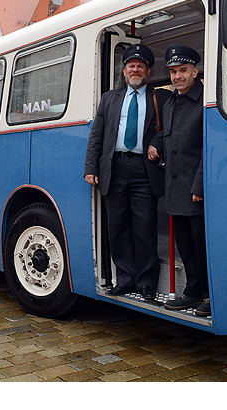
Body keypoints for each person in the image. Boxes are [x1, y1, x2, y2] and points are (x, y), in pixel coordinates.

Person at [84, 44, 172, 301]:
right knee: (118, 228)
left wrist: (157, 142)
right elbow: (96, 136)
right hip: (114, 168)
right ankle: (124, 280)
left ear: (148, 71)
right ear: (124, 71)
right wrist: (90, 167)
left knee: (144, 228)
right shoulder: (109, 99)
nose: (136, 70)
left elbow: (170, 130)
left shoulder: (162, 98)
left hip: (145, 169)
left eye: (140, 66)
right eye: (131, 66)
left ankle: (146, 283)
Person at [148, 44, 210, 317]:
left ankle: (209, 295)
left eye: (183, 71)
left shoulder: (206, 101)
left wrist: (199, 186)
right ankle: (193, 292)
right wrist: (154, 142)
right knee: (184, 245)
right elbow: (168, 132)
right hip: (175, 188)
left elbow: (208, 147)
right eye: (173, 72)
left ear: (195, 72)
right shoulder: (171, 101)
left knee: (202, 246)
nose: (177, 77)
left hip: (195, 188)